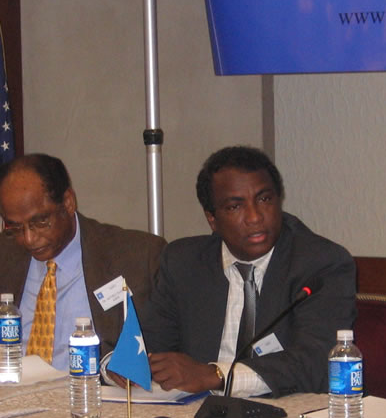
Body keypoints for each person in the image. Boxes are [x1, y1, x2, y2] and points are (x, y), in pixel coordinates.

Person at [139, 145, 355, 396]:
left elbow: (317, 362)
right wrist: (119, 367)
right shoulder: (184, 262)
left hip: (290, 409)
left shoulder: (321, 263)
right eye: (235, 206)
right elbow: (148, 345)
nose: (255, 217)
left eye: (264, 199)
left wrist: (216, 375)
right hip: (198, 410)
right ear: (212, 219)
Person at [0, 154, 166, 367]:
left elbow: (160, 345)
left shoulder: (137, 257)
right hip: (8, 385)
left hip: (89, 385)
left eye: (40, 221)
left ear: (68, 202)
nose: (29, 239)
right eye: (16, 227)